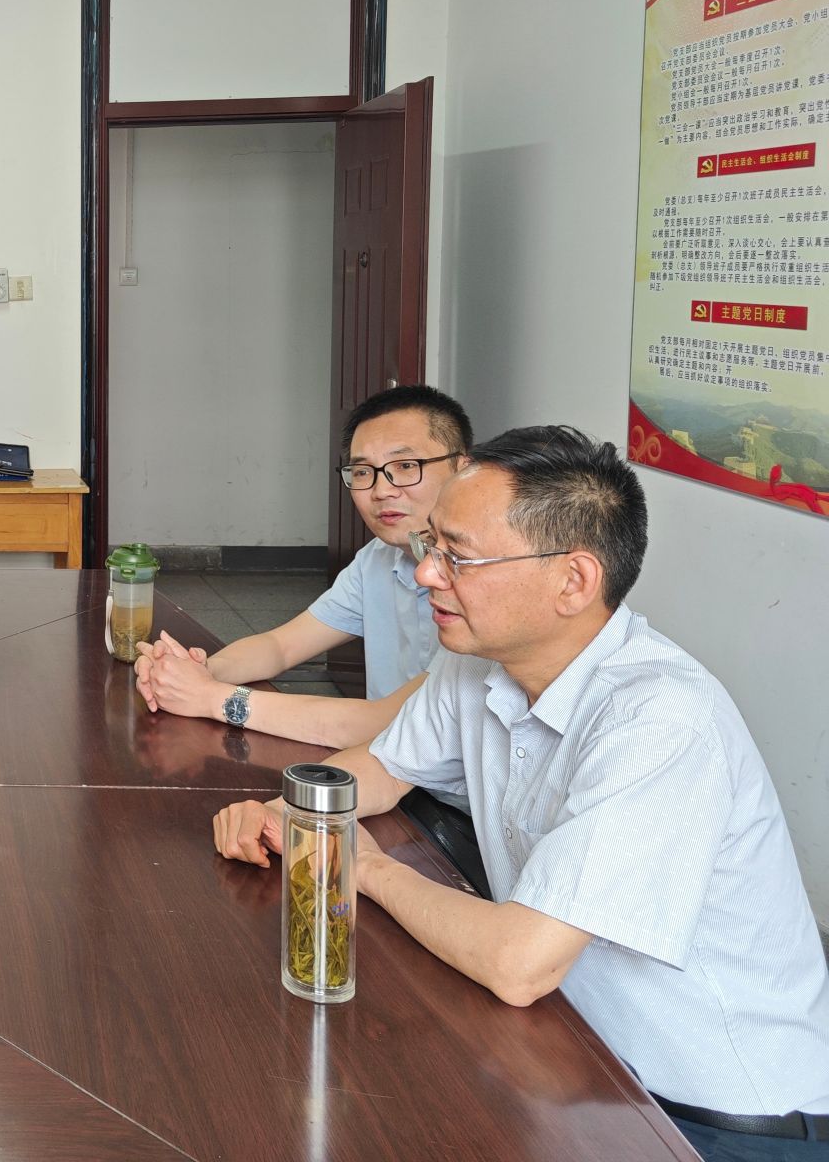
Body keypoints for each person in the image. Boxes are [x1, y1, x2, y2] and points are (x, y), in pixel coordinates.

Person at [210, 428, 829, 1157]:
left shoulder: (658, 721)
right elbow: (381, 767)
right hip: (576, 1059)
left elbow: (517, 963)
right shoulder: (480, 656)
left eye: (458, 557)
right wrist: (291, 812)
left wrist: (364, 865)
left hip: (711, 1116)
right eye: (431, 545)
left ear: (573, 581)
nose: (426, 574)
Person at [133, 384, 483, 889]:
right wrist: (192, 671)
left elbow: (386, 725)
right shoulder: (378, 559)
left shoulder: (486, 585)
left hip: (463, 820)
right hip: (394, 786)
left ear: (463, 469)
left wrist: (213, 699)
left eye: (406, 466)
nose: (382, 490)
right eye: (363, 472)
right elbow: (281, 645)